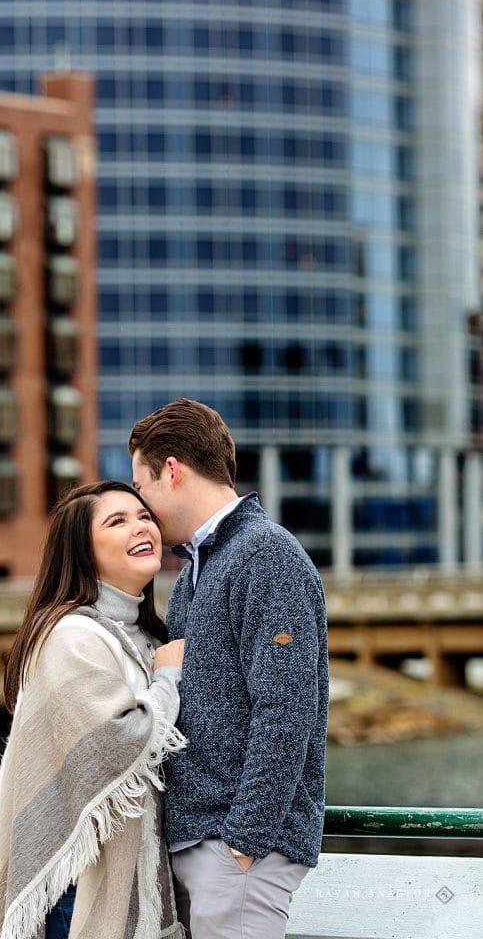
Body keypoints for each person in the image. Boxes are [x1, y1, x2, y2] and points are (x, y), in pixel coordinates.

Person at [129, 399, 329, 939]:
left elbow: (287, 709)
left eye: (141, 489)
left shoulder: (266, 555)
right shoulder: (200, 568)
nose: (142, 508)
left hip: (235, 853)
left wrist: (244, 841)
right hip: (204, 844)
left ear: (171, 470)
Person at [0, 481, 186, 939]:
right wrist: (168, 680)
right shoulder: (71, 637)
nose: (141, 526)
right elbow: (121, 737)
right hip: (78, 888)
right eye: (118, 521)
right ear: (82, 552)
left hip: (135, 877)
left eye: (143, 516)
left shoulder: (148, 635)